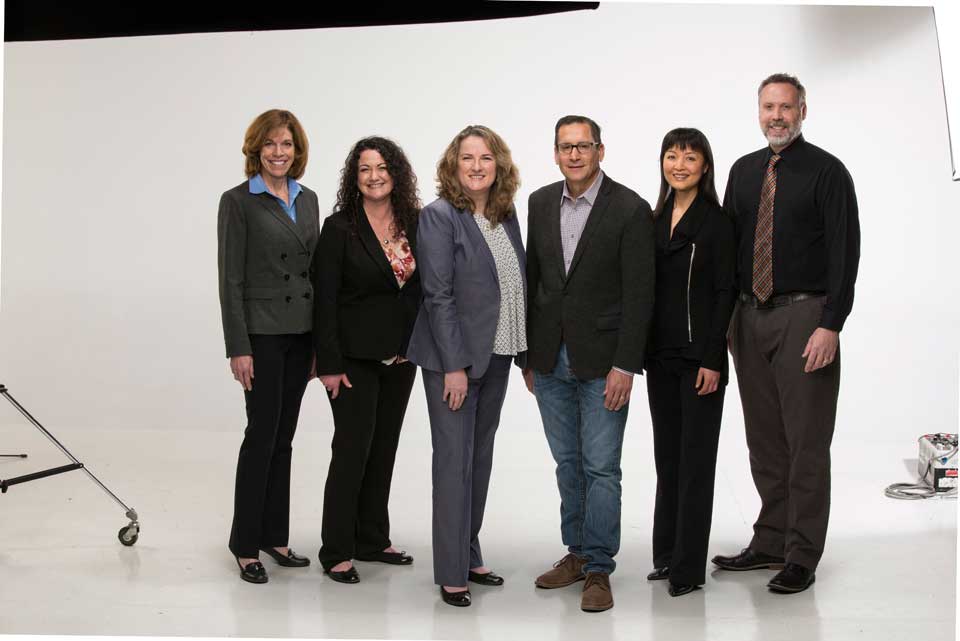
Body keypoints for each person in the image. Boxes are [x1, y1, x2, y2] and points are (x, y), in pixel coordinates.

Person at [712, 73, 860, 594]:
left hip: (805, 316)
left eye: (786, 107)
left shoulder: (827, 172)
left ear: (803, 110)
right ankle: (770, 539)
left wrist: (831, 324)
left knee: (806, 441)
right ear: (758, 112)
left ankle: (801, 553)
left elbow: (845, 252)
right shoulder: (743, 171)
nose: (777, 116)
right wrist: (726, 322)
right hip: (748, 318)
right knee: (765, 441)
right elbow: (728, 250)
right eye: (768, 107)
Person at [525, 115, 655, 612]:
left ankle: (599, 567)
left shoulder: (628, 208)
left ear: (601, 150)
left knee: (602, 467)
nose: (574, 155)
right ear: (555, 154)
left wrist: (626, 365)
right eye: (565, 147)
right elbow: (534, 280)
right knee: (568, 463)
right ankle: (576, 553)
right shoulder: (539, 203)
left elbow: (639, 294)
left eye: (583, 146)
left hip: (604, 362)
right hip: (549, 360)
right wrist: (528, 358)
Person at [406, 125, 526, 608]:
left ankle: (469, 552)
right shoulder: (439, 217)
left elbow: (512, 284)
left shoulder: (504, 214)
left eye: (486, 158)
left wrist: (523, 353)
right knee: (453, 464)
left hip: (497, 356)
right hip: (452, 363)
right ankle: (451, 572)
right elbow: (438, 294)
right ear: (453, 167)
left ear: (499, 165)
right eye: (467, 158)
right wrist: (454, 366)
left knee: (478, 460)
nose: (477, 166)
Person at [312, 137, 422, 584]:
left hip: (402, 357)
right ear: (354, 178)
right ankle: (336, 548)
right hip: (352, 359)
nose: (374, 176)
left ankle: (372, 538)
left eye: (382, 167)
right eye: (364, 169)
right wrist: (328, 363)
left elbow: (420, 289)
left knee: (384, 449)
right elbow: (325, 300)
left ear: (396, 173)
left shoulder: (414, 223)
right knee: (352, 450)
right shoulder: (340, 228)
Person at [218, 109, 320, 584]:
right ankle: (244, 544)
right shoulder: (238, 201)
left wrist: (321, 343)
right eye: (270, 145)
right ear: (255, 150)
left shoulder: (309, 199)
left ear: (297, 151)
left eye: (287, 144)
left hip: (300, 334)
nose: (279, 153)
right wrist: (238, 346)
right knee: (261, 435)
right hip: (260, 334)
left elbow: (315, 274)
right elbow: (230, 279)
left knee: (284, 437)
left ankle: (274, 535)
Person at [643, 128, 736, 597]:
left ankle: (688, 569)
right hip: (660, 357)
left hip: (701, 359)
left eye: (690, 156)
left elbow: (725, 294)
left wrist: (713, 357)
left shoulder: (718, 222)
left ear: (705, 165)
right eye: (672, 155)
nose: (679, 164)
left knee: (696, 462)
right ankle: (665, 555)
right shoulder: (654, 219)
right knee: (668, 458)